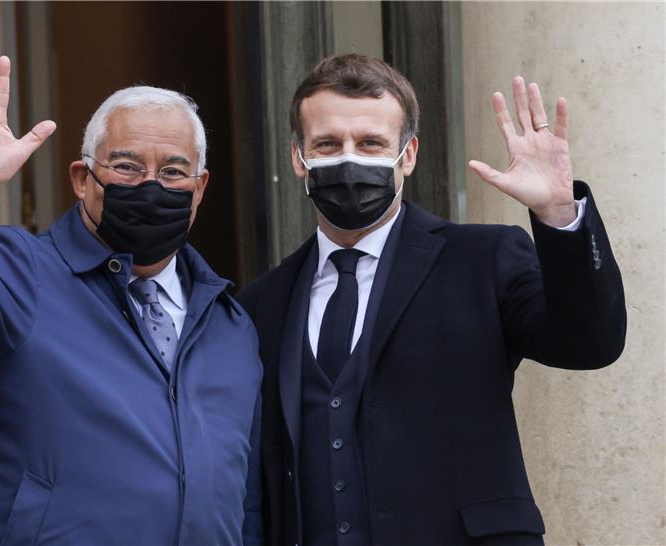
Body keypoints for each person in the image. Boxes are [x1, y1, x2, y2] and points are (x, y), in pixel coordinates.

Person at [237, 54, 626, 546]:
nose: (350, 159)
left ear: (409, 155)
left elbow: (591, 344)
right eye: (328, 144)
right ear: (299, 158)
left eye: (372, 143)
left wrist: (557, 213)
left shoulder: (483, 259)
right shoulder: (260, 304)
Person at [0, 49, 262, 546]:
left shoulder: (230, 325)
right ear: (83, 180)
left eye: (173, 172)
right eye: (127, 167)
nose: (151, 187)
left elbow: (246, 502)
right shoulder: (20, 272)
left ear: (199, 189)